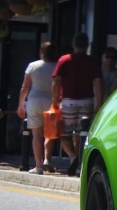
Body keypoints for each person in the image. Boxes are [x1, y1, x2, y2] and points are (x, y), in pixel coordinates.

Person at [52, 32, 103, 175]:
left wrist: (55, 100)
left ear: (73, 44)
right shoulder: (93, 62)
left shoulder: (64, 60)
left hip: (68, 102)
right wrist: (98, 102)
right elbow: (98, 82)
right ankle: (80, 161)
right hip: (87, 101)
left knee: (64, 134)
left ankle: (74, 157)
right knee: (82, 133)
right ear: (87, 45)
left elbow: (56, 82)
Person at [17, 42, 59, 175]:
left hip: (34, 101)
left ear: (41, 52)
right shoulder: (57, 66)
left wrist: (20, 104)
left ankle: (38, 166)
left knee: (36, 134)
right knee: (50, 133)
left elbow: (25, 87)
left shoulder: (33, 66)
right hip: (51, 101)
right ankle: (47, 159)